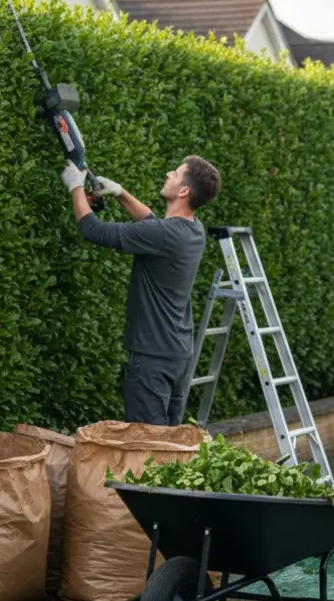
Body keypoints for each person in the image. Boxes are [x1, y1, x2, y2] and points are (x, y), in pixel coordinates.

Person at [61, 155, 221, 426]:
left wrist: (75, 186)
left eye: (176, 173)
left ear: (183, 191)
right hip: (178, 352)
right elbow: (152, 221)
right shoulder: (194, 229)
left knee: (146, 443)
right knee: (168, 441)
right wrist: (120, 192)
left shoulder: (164, 234)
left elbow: (94, 231)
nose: (169, 173)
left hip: (153, 358)